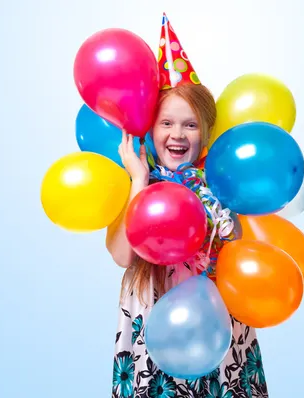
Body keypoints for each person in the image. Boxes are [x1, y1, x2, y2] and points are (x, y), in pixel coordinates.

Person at [106, 13, 268, 398]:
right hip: (155, 327)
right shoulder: (136, 184)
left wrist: (228, 224)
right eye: (166, 123)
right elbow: (121, 255)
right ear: (150, 129)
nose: (177, 134)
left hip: (218, 327)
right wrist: (140, 181)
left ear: (204, 132)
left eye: (190, 125)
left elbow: (238, 249)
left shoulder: (217, 185)